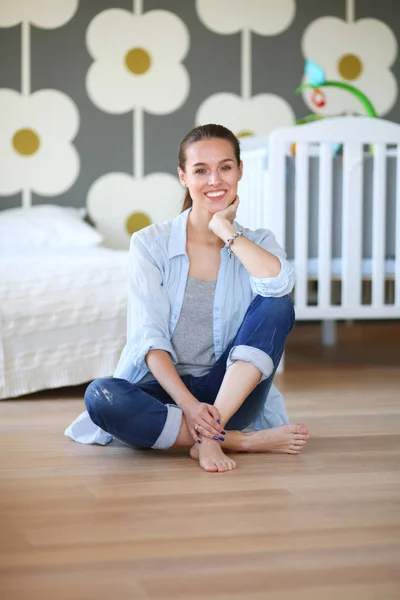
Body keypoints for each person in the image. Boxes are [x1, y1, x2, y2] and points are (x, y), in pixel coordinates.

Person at [82, 123, 309, 472]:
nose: (215, 180)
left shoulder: (257, 241)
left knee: (277, 302)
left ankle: (209, 432)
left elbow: (279, 285)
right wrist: (189, 406)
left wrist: (225, 231)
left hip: (232, 395)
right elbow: (149, 338)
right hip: (165, 391)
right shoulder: (150, 243)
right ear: (184, 177)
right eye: (201, 170)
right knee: (102, 396)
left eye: (225, 167)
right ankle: (233, 439)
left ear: (240, 171)